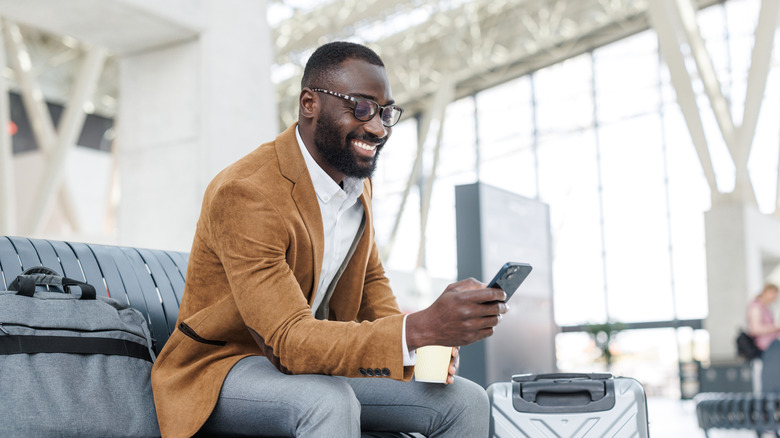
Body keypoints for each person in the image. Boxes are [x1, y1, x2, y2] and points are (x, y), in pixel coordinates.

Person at [151, 41, 508, 438]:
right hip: (223, 368)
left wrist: (423, 346)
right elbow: (289, 339)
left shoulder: (355, 185)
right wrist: (418, 329)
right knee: (327, 400)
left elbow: (371, 284)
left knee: (465, 401)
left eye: (385, 112)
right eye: (361, 108)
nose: (378, 128)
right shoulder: (247, 192)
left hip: (310, 364)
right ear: (310, 103)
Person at [747, 283, 780, 393]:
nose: (775, 298)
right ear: (766, 292)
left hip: (772, 346)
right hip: (764, 347)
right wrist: (776, 327)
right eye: (774, 294)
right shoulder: (756, 306)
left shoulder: (766, 307)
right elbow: (755, 329)